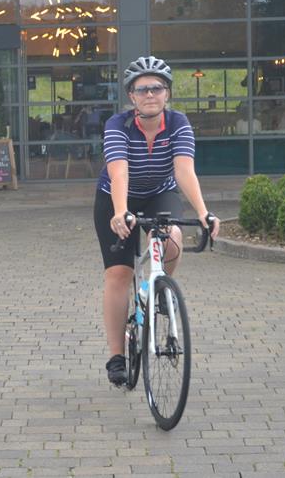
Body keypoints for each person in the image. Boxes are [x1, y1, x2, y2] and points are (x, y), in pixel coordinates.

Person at [94, 55, 220, 386]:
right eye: (142, 89)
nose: (150, 94)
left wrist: (203, 213)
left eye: (157, 88)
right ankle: (117, 356)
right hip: (115, 198)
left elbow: (184, 170)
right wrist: (121, 212)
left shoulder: (178, 123)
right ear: (131, 96)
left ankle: (158, 289)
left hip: (158, 193)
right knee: (118, 273)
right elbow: (118, 170)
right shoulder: (117, 125)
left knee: (172, 238)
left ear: (167, 94)